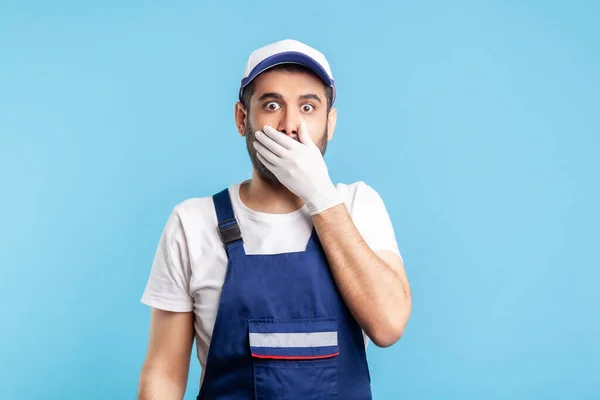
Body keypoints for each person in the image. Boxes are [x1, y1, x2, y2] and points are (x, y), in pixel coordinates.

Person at [137, 39, 412, 400]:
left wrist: (321, 196)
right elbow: (164, 374)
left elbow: (388, 325)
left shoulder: (358, 205)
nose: (290, 125)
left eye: (308, 107)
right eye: (271, 105)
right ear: (242, 119)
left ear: (330, 123)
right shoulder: (192, 223)